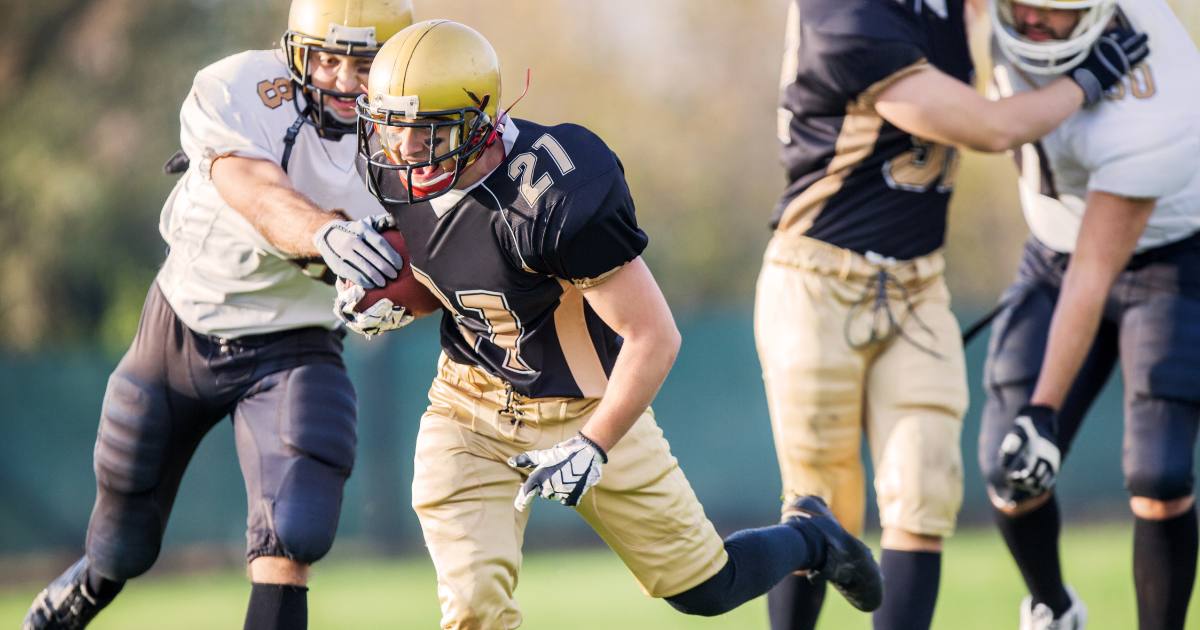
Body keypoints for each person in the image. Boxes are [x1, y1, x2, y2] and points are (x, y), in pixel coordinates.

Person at [337, 18, 884, 630]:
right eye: (391, 123)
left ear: (481, 118)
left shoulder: (554, 193)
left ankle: (811, 535)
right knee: (472, 610)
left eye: (428, 128)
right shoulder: (386, 166)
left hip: (585, 406)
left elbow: (654, 335)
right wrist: (387, 296)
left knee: (704, 588)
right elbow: (458, 272)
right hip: (468, 406)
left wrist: (595, 444)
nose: (405, 147)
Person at [21, 1, 414, 629]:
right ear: (295, 52)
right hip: (182, 329)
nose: (344, 79)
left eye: (365, 63)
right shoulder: (238, 89)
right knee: (123, 544)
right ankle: (89, 585)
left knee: (294, 532)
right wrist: (325, 235)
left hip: (296, 342)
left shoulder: (416, 137)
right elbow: (257, 191)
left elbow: (449, 253)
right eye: (329, 58)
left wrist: (411, 292)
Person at [758, 0, 1147, 628]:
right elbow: (990, 129)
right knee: (817, 500)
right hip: (817, 280)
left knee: (924, 492)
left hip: (919, 284)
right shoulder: (842, 11)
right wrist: (1087, 80)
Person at [979, 1, 1200, 628]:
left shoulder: (1164, 96)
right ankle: (1053, 608)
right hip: (1053, 250)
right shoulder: (986, 20)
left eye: (1053, 9)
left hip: (1168, 258)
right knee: (1008, 465)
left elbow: (1094, 272)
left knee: (1159, 474)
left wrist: (1044, 407)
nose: (1030, 20)